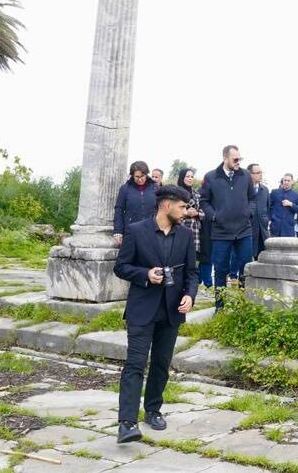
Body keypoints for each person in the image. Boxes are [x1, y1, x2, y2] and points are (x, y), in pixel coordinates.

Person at [113, 185, 198, 443]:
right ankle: (127, 423)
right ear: (166, 205)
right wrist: (145, 275)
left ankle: (153, 410)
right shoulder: (137, 231)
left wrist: (190, 296)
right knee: (135, 365)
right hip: (142, 309)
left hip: (172, 311)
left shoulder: (184, 236)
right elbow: (121, 267)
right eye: (183, 207)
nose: (186, 212)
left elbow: (192, 273)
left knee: (161, 365)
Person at [199, 146, 257, 301]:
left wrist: (249, 212)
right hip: (221, 232)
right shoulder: (211, 177)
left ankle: (243, 303)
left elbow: (252, 199)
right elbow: (204, 201)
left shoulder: (245, 175)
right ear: (225, 158)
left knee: (245, 268)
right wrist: (214, 216)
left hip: (244, 230)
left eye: (240, 159)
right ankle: (220, 305)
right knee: (220, 269)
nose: (238, 162)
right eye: (235, 159)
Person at [176, 168, 210, 294]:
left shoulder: (196, 194)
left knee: (192, 259)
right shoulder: (176, 193)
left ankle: (190, 288)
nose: (190, 178)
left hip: (195, 231)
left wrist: (196, 213)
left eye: (191, 176)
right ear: (182, 177)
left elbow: (203, 212)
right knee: (179, 257)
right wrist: (185, 213)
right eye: (187, 176)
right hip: (180, 227)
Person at [114, 161, 158, 247]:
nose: (140, 179)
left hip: (152, 231)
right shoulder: (125, 188)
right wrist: (118, 231)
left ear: (146, 174)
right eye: (137, 177)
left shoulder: (155, 188)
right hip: (131, 231)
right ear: (132, 176)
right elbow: (119, 209)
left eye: (142, 176)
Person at [248, 164, 271, 258]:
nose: (261, 175)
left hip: (262, 230)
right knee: (246, 257)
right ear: (250, 174)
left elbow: (268, 207)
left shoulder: (265, 190)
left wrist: (266, 220)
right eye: (257, 173)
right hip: (249, 229)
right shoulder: (244, 189)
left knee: (261, 257)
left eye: (261, 172)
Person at [268, 174, 298, 238]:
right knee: (273, 247)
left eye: (288, 180)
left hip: (288, 228)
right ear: (282, 181)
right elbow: (269, 207)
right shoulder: (275, 192)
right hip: (275, 227)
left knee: (288, 248)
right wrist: (269, 219)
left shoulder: (296, 195)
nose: (286, 182)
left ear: (292, 182)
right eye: (285, 180)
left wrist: (291, 204)